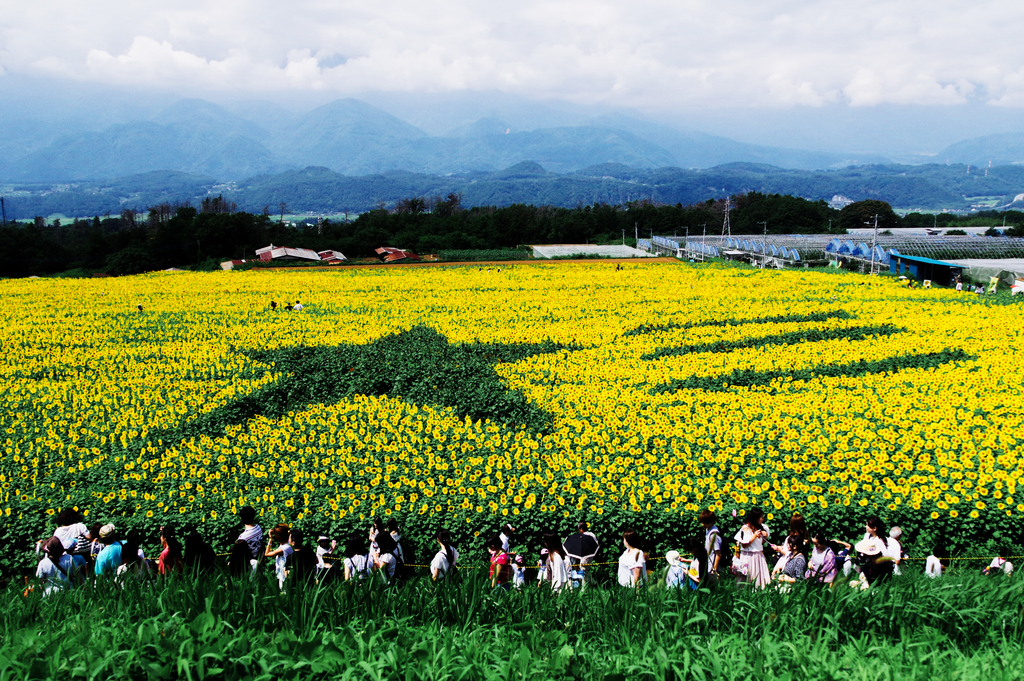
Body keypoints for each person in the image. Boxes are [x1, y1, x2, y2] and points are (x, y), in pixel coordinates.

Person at [734, 508, 771, 588]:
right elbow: (744, 545)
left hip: (758, 556)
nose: (762, 518)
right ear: (755, 518)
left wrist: (764, 534)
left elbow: (762, 541)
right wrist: (754, 536)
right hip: (748, 556)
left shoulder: (762, 527)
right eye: (760, 517)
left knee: (759, 580)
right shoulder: (745, 528)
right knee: (747, 579)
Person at [563, 521, 600, 586]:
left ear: (581, 529)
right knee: (585, 570)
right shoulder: (591, 535)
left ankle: (584, 588)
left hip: (586, 556)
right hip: (589, 555)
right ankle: (594, 583)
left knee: (583, 570)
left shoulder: (586, 536)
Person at [265, 524, 293, 589]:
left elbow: (267, 554)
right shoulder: (289, 544)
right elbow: (288, 533)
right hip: (288, 573)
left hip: (283, 575)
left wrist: (270, 539)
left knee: (284, 593)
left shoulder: (282, 549)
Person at [237, 506, 263, 572]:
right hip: (259, 560)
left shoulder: (242, 537)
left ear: (241, 518)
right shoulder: (258, 528)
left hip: (249, 565)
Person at [700, 510, 723, 583]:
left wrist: (714, 569)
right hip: (708, 562)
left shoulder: (714, 535)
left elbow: (718, 554)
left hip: (712, 566)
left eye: (705, 523)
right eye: (702, 522)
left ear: (711, 522)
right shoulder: (708, 529)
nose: (703, 525)